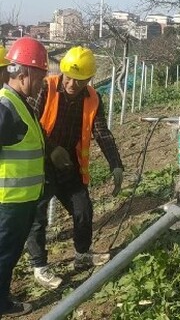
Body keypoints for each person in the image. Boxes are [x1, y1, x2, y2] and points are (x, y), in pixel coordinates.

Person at [26, 46, 124, 290]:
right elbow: (30, 123)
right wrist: (51, 149)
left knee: (83, 209)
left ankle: (82, 255)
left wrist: (116, 164)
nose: (71, 83)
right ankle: (39, 266)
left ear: (89, 79)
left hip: (69, 163)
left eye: (79, 80)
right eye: (68, 77)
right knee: (37, 217)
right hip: (40, 162)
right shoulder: (46, 88)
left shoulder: (92, 97)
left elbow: (102, 132)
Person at [0, 37, 48, 317]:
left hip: (21, 199)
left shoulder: (21, 102)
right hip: (10, 200)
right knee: (4, 254)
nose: (42, 81)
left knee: (8, 253)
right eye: (40, 75)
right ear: (23, 73)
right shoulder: (6, 107)